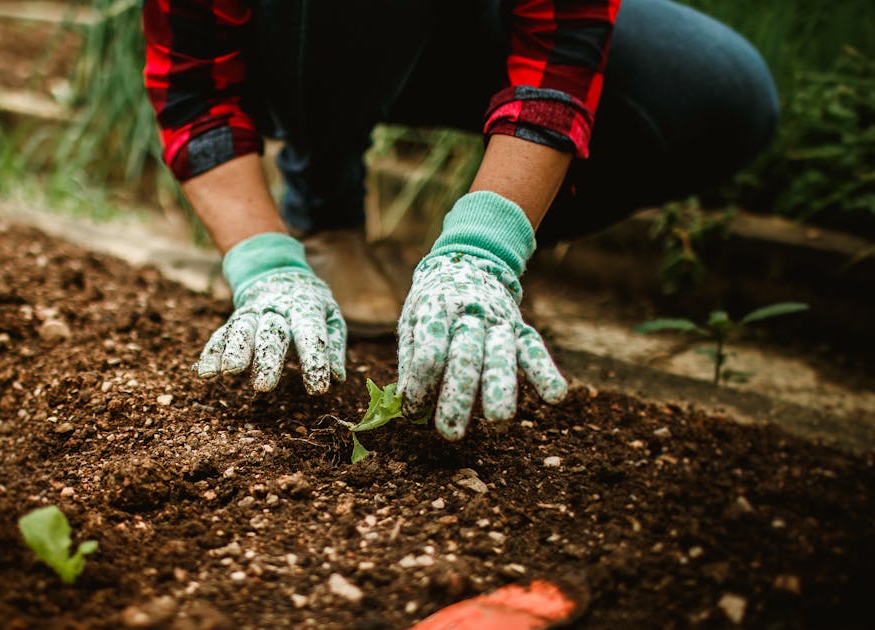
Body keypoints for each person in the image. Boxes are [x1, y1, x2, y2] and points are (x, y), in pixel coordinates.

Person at [142, 0, 778, 439]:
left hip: (472, 25)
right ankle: (324, 207)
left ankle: (454, 266)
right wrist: (266, 266)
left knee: (721, 90)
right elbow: (194, 90)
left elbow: (562, 42)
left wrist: (481, 252)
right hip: (300, 35)